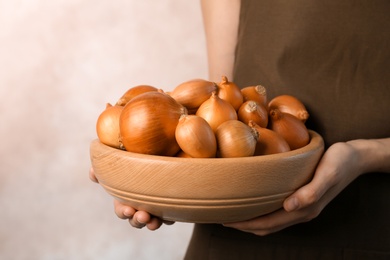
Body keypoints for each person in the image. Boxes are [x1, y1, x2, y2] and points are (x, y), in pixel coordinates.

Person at [90, 0, 390, 258]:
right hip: (243, 206)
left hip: (375, 217)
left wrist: (367, 155)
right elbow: (218, 93)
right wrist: (163, 176)